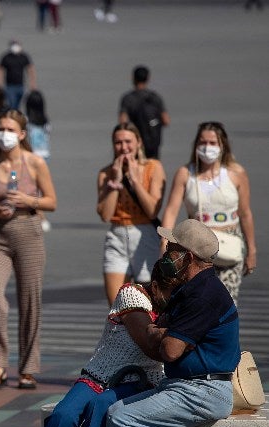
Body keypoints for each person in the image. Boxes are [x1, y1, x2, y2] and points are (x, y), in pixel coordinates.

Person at [1, 261, 174, 427]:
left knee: (103, 406)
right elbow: (148, 340)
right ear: (156, 286)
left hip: (138, 380)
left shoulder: (178, 305)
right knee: (63, 415)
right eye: (168, 292)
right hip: (98, 374)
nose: (170, 299)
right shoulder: (131, 294)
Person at [96, 219, 239, 427]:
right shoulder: (190, 289)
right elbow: (164, 338)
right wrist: (161, 334)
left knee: (124, 420)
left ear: (187, 257)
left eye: (172, 248)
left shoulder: (204, 294)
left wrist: (155, 331)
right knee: (116, 411)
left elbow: (170, 349)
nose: (166, 252)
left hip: (203, 390)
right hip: (185, 385)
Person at [0, 109, 57, 391]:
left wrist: (27, 198)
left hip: (29, 232)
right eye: (1, 129)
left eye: (10, 129)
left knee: (30, 301)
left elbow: (51, 201)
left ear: (21, 134)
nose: (4, 135)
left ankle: (28, 368)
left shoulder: (34, 163)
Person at [159, 122, 256, 304]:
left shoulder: (236, 173)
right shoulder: (185, 174)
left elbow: (245, 214)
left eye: (213, 143)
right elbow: (171, 210)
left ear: (222, 145)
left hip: (229, 243)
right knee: (197, 301)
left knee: (226, 302)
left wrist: (252, 250)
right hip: (195, 246)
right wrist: (164, 243)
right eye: (202, 142)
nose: (207, 147)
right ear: (196, 145)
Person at [96, 123, 166, 305]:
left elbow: (152, 210)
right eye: (118, 142)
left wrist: (135, 180)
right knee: (117, 307)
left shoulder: (153, 167)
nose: (124, 147)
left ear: (139, 142)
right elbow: (105, 215)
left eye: (128, 141)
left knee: (150, 304)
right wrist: (115, 182)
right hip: (117, 235)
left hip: (144, 235)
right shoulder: (105, 173)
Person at [118, 66, 169, 159]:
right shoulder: (155, 97)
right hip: (154, 142)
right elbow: (166, 121)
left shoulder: (128, 98)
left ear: (133, 78)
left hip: (136, 143)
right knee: (153, 167)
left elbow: (123, 122)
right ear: (148, 78)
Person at [25, 90, 52, 231]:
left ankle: (41, 217)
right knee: (40, 189)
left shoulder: (27, 122)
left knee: (34, 190)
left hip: (31, 159)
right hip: (45, 158)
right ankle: (38, 216)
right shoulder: (46, 121)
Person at [0, 40, 35, 111]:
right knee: (12, 103)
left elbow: (30, 70)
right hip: (9, 86)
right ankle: (13, 117)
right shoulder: (6, 57)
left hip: (21, 85)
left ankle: (14, 116)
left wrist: (32, 84)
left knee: (17, 104)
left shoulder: (24, 57)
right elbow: (0, 70)